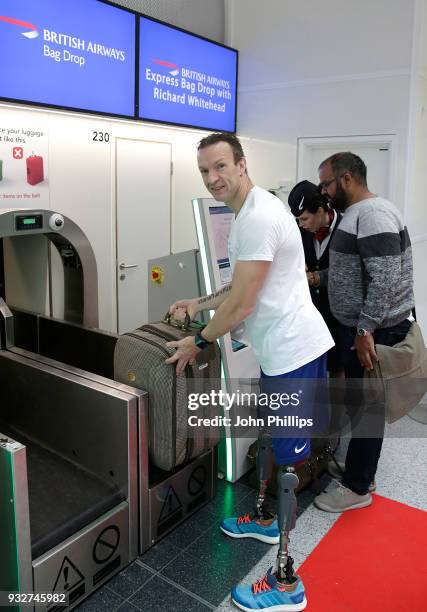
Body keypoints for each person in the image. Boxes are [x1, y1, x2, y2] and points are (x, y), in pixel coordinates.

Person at [166, 132, 333, 611]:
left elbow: (241, 304)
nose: (213, 178)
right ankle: (263, 521)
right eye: (204, 171)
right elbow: (235, 286)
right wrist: (198, 303)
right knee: (271, 438)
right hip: (281, 350)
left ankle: (286, 581)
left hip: (293, 355)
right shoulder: (248, 213)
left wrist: (197, 340)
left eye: (220, 167)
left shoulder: (258, 217)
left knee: (288, 463)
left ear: (241, 164)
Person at [313, 152, 415, 513]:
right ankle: (362, 468)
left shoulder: (372, 215)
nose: (323, 192)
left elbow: (385, 279)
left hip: (373, 332)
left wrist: (364, 329)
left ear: (346, 179)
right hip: (358, 327)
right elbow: (352, 270)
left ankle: (357, 487)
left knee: (369, 406)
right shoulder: (357, 215)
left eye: (326, 183)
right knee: (360, 403)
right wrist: (319, 277)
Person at [288, 180, 344, 378]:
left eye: (304, 219)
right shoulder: (301, 232)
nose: (301, 225)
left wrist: (313, 277)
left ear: (321, 210)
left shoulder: (346, 228)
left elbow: (348, 273)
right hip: (311, 315)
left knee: (340, 372)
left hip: (341, 317)